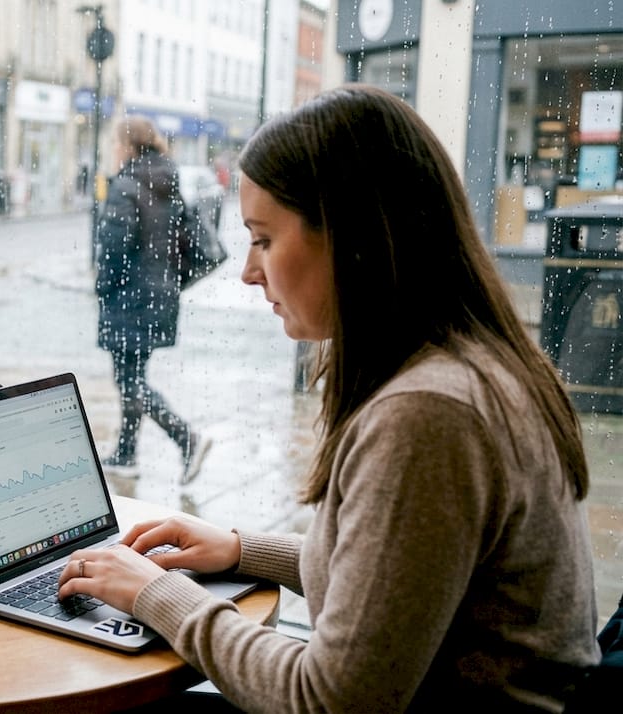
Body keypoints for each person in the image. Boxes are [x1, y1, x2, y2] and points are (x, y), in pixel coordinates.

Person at [58, 85, 600, 712]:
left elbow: (330, 698)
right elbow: (392, 582)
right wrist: (242, 550)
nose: (248, 271)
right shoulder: (467, 366)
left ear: (350, 235)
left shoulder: (429, 414)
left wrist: (156, 593)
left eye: (263, 238)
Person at [95, 114, 211, 484]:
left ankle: (187, 438)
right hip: (159, 296)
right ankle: (127, 453)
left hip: (129, 297)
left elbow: (113, 250)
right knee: (135, 376)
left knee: (129, 382)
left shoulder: (127, 184)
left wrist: (102, 287)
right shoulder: (168, 181)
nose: (113, 150)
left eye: (116, 143)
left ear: (127, 146)